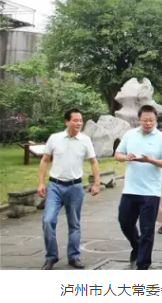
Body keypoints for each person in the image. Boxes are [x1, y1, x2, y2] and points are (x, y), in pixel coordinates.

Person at [38, 108, 100, 270]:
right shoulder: (55, 138)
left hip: (75, 187)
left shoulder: (85, 140)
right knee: (47, 220)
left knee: (74, 223)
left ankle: (74, 256)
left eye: (80, 120)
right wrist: (41, 183)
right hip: (55, 186)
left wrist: (96, 183)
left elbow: (93, 162)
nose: (79, 123)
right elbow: (45, 160)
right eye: (75, 120)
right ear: (66, 122)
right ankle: (51, 256)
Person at [114, 105, 162, 270]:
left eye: (151, 120)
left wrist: (151, 160)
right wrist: (127, 157)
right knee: (125, 222)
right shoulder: (130, 134)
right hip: (130, 189)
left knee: (147, 230)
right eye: (145, 120)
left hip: (150, 192)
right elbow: (117, 154)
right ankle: (136, 245)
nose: (148, 123)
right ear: (139, 119)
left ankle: (143, 264)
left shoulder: (161, 138)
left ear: (156, 120)